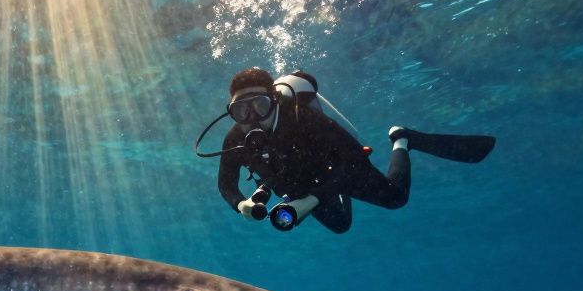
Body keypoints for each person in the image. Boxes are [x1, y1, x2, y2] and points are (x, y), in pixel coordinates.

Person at [200, 67, 496, 233]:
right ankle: (328, 192)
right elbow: (226, 184)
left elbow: (354, 157)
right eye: (241, 111)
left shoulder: (305, 119)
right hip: (302, 181)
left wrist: (313, 199)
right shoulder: (234, 139)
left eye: (260, 106)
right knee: (341, 225)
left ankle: (403, 139)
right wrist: (243, 206)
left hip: (339, 165)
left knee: (396, 199)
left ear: (274, 101)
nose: (251, 118)